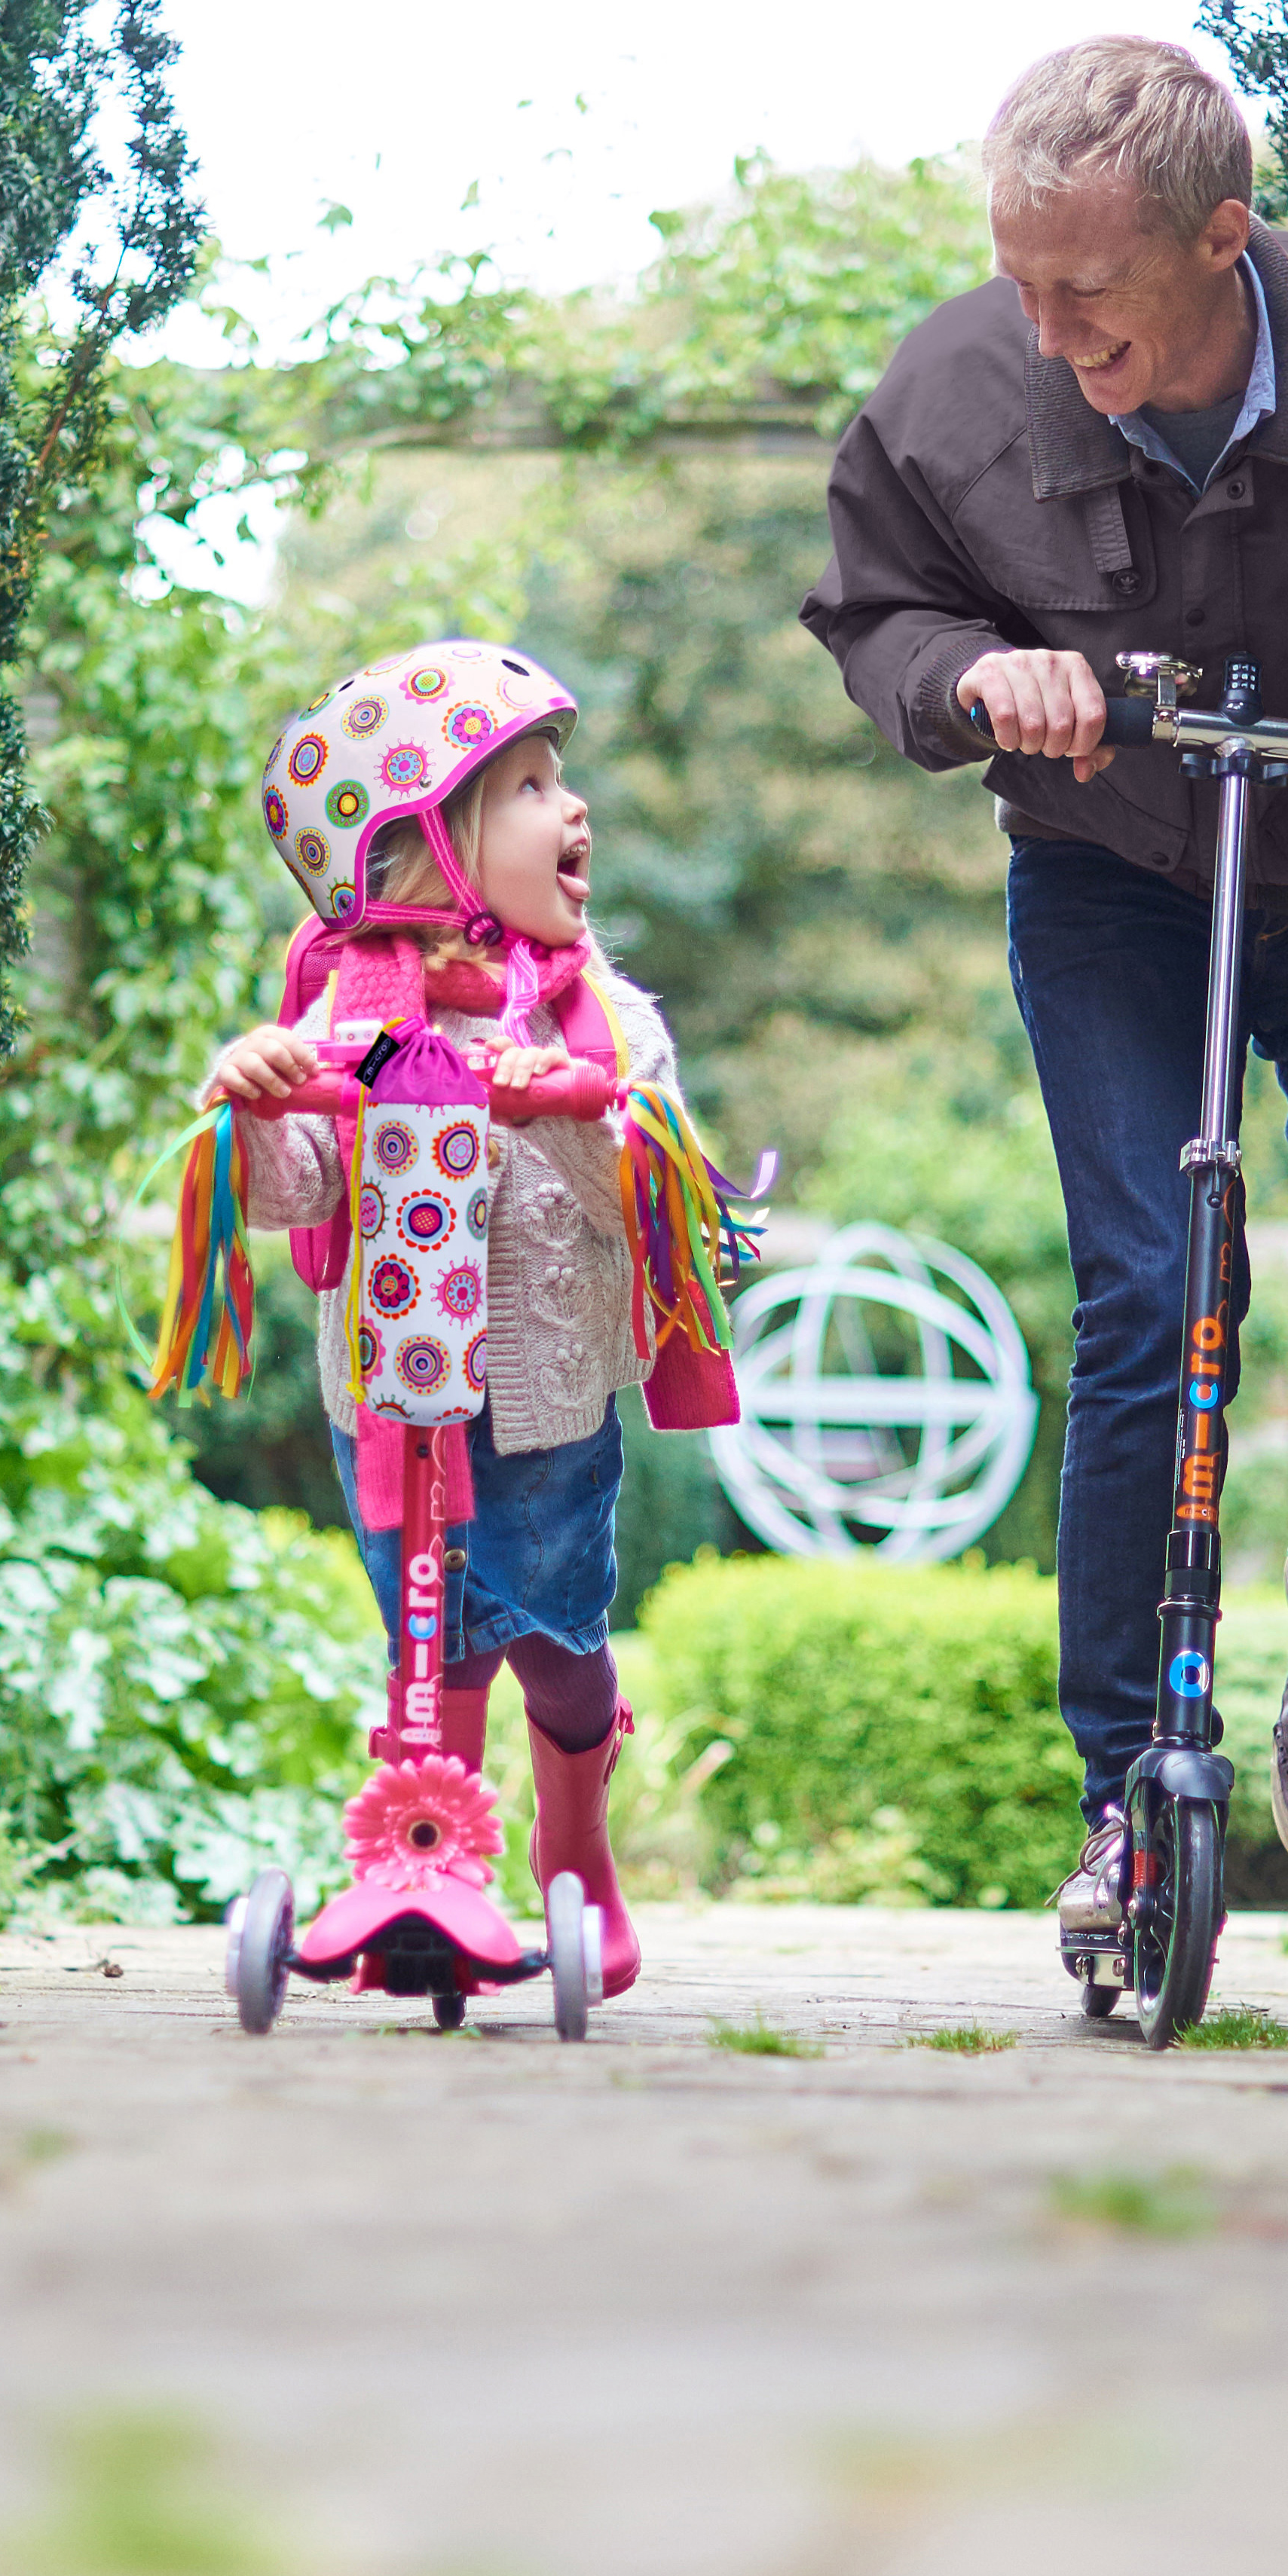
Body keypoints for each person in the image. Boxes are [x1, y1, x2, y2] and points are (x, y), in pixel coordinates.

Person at [800, 33, 1288, 1965]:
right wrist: (978, 682)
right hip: (1113, 874)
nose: (1048, 327)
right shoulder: (954, 385)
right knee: (1156, 1287)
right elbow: (880, 608)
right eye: (1021, 280)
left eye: (1091, 293)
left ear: (1223, 242)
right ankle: (1122, 1800)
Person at [188, 640, 738, 2000]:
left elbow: (649, 1205)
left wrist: (565, 1107)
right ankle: (435, 1872)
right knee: (429, 1644)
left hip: (542, 1397)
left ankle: (572, 1832)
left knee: (549, 1627)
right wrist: (256, 1103)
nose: (575, 811)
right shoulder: (349, 1017)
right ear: (433, 846)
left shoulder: (605, 1019)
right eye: (533, 788)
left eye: (564, 780)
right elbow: (293, 1187)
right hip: (385, 1392)